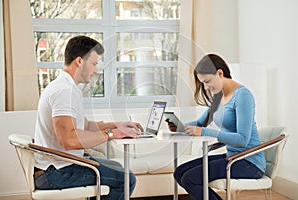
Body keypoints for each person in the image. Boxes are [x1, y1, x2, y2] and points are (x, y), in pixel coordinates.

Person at [34, 35, 144, 200]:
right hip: (56, 172)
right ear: (79, 61)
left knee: (117, 167)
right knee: (126, 179)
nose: (96, 70)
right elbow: (69, 140)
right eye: (93, 64)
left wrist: (117, 125)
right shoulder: (64, 91)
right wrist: (111, 135)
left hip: (60, 166)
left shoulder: (68, 88)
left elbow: (85, 125)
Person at [166, 54, 266, 200]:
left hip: (249, 162)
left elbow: (243, 140)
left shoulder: (243, 96)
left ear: (220, 73)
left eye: (207, 81)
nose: (206, 87)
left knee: (189, 179)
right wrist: (180, 127)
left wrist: (205, 132)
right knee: (179, 173)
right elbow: (201, 123)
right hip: (232, 157)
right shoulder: (218, 97)